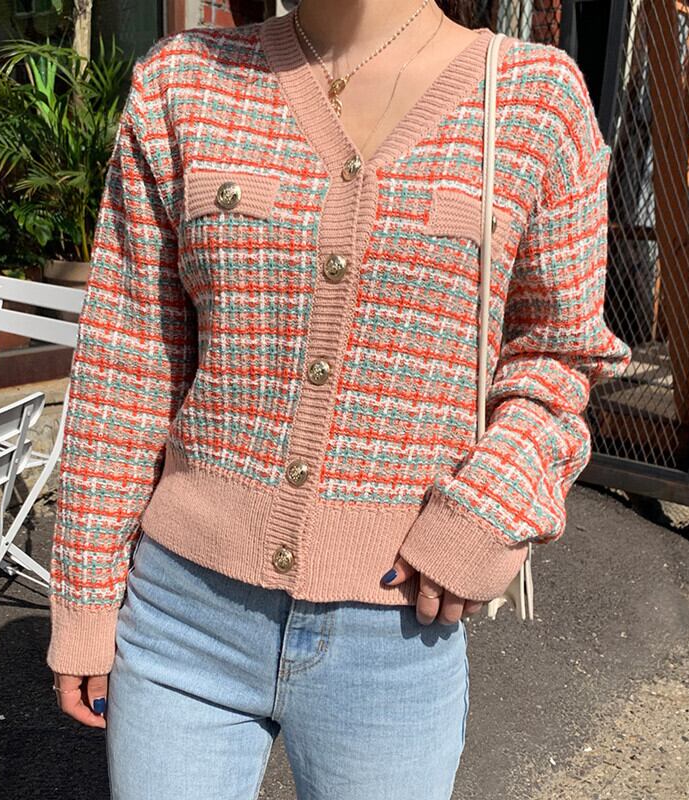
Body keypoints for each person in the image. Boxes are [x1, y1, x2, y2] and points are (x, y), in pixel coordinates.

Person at [47, 0, 632, 797]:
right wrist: (85, 598)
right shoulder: (182, 82)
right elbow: (128, 361)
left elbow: (559, 352)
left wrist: (486, 510)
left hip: (396, 630)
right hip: (180, 620)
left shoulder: (534, 100)